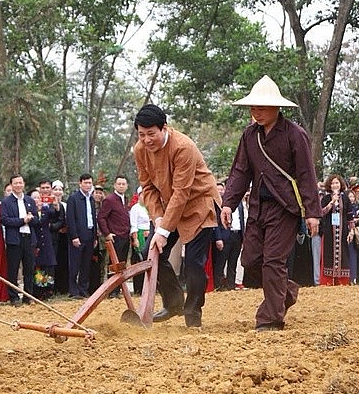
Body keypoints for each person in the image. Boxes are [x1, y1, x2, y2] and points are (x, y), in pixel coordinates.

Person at [221, 75, 321, 331]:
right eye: (254, 107)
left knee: (274, 262)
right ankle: (286, 292)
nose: (257, 112)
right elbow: (240, 172)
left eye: (262, 107)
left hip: (284, 208)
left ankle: (270, 318)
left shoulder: (294, 135)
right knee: (250, 261)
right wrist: (228, 203)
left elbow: (307, 174)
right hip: (257, 208)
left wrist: (312, 212)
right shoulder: (249, 136)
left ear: (277, 108)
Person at [133, 104, 220, 328]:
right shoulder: (140, 150)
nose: (147, 140)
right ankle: (173, 304)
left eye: (151, 134)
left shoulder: (183, 147)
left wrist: (163, 232)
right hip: (169, 208)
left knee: (193, 263)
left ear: (164, 128)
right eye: (142, 135)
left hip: (198, 206)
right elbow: (148, 188)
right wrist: (158, 220)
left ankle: (193, 314)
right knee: (150, 253)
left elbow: (182, 192)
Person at [0, 174, 39, 304]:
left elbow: (37, 220)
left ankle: (28, 296)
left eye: (20, 183)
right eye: (15, 183)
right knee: (13, 270)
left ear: (24, 184)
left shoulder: (29, 200)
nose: (18, 185)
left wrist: (31, 219)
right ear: (11, 185)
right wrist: (23, 220)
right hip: (14, 240)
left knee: (29, 269)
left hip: (29, 239)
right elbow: (5, 220)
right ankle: (14, 297)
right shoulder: (6, 202)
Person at [97, 175, 131, 298]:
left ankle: (119, 289)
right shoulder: (109, 199)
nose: (121, 186)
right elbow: (101, 217)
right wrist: (107, 233)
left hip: (125, 236)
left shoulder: (126, 200)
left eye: (123, 184)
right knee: (113, 264)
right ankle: (112, 291)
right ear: (115, 185)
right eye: (119, 184)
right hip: (114, 236)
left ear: (126, 186)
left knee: (122, 264)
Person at [66, 174, 98, 298]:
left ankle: (83, 289)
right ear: (80, 183)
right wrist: (74, 236)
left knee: (86, 265)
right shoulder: (73, 198)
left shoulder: (91, 199)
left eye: (90, 183)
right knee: (75, 264)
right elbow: (70, 219)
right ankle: (73, 291)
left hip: (89, 235)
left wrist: (95, 237)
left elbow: (93, 218)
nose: (88, 185)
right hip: (78, 236)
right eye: (85, 183)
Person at [318, 174, 352, 285]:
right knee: (328, 255)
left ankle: (342, 281)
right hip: (328, 232)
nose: (335, 185)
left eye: (337, 183)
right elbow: (321, 212)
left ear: (340, 184)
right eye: (332, 183)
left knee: (343, 255)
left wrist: (351, 231)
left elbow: (350, 217)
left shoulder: (346, 199)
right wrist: (332, 202)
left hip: (342, 233)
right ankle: (327, 281)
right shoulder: (326, 198)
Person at [50, 180, 69, 295]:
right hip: (53, 236)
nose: (58, 192)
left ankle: (63, 288)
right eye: (55, 189)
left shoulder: (66, 205)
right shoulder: (48, 204)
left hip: (64, 237)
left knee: (63, 262)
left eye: (60, 189)